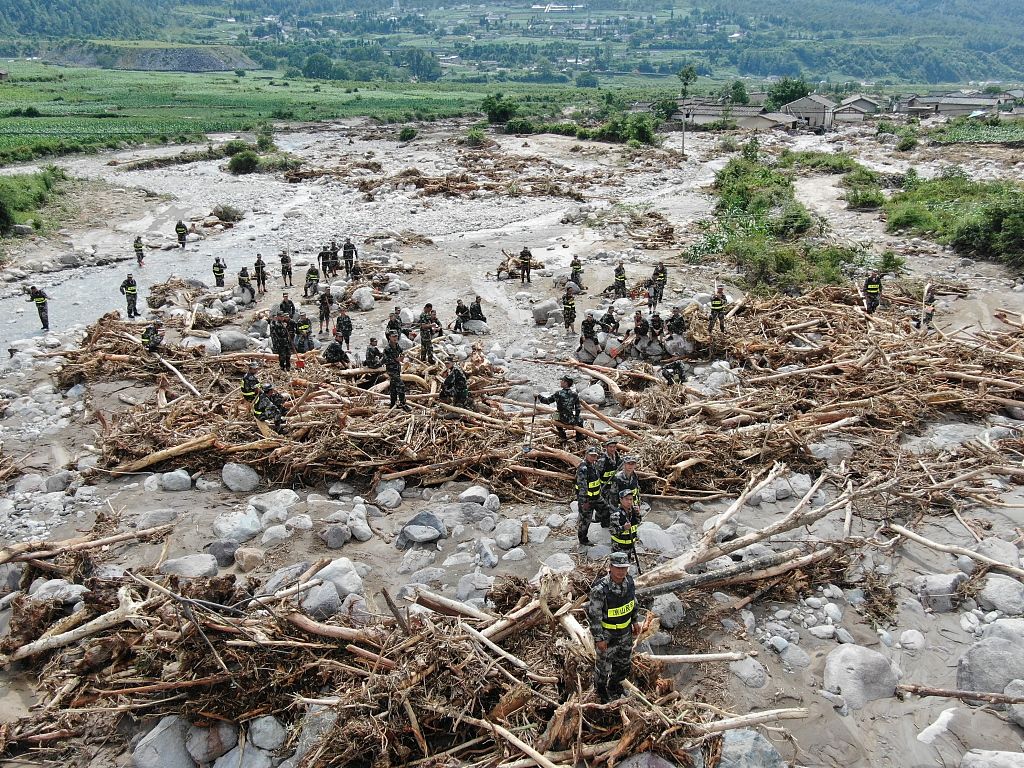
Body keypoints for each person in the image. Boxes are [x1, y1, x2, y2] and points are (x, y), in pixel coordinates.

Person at [587, 551, 641, 703]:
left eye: (624, 568)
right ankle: (601, 692)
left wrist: (635, 621)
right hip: (607, 634)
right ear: (610, 567)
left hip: (625, 633)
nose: (621, 571)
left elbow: (632, 602)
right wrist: (599, 638)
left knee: (624, 664)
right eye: (618, 568)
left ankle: (615, 687)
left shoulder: (629, 582)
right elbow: (594, 615)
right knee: (603, 667)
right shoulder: (600, 589)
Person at [538, 375, 585, 444]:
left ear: (566, 383)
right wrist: (576, 417)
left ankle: (562, 434)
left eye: (562, 381)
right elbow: (578, 408)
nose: (560, 382)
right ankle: (579, 436)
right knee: (580, 420)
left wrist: (538, 396)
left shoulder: (558, 393)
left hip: (560, 418)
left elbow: (546, 401)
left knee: (555, 415)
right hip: (569, 419)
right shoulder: (574, 394)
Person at [575, 446, 605, 545]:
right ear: (586, 455)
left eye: (595, 456)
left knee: (606, 509)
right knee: (585, 521)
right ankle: (583, 540)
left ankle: (602, 522)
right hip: (587, 499)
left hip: (597, 497)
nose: (593, 458)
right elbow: (582, 487)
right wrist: (585, 502)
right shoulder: (583, 468)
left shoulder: (594, 465)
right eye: (591, 455)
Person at [384, 330, 410, 411]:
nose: (395, 338)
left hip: (397, 369)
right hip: (391, 370)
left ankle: (393, 403)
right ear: (389, 337)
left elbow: (402, 351)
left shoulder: (397, 345)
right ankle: (403, 403)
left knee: (393, 387)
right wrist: (396, 360)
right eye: (393, 337)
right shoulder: (387, 348)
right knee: (401, 385)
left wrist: (402, 357)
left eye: (396, 336)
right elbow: (385, 360)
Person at [598, 438, 623, 520]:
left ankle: (613, 520)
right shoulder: (602, 460)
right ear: (606, 447)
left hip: (614, 486)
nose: (612, 449)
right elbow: (597, 473)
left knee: (614, 504)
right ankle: (600, 519)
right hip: (605, 487)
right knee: (604, 505)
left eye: (614, 447)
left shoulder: (617, 456)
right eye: (610, 447)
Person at [610, 489, 641, 556]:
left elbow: (638, 522)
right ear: (621, 500)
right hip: (619, 548)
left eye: (631, 499)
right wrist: (623, 528)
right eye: (626, 499)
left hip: (631, 546)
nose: (629, 502)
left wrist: (638, 514)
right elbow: (612, 531)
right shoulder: (616, 514)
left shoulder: (633, 511)